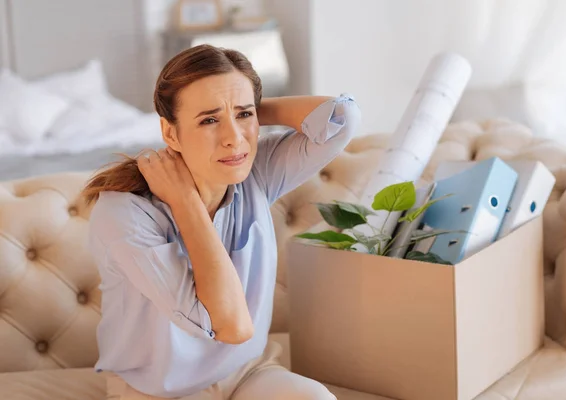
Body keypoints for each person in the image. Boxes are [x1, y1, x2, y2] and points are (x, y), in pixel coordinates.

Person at [82, 44, 361, 399]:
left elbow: (341, 119)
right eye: (209, 120)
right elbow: (231, 326)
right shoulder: (125, 214)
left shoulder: (255, 174)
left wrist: (245, 107)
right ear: (170, 134)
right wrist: (185, 202)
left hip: (245, 374)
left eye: (245, 116)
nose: (234, 139)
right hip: (157, 391)